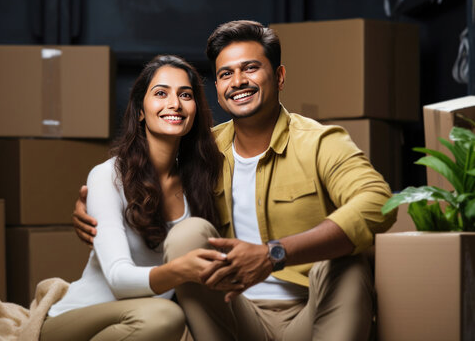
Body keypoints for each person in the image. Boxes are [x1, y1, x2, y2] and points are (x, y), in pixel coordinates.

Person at [73, 21, 397, 341]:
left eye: (251, 68)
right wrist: (95, 210)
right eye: (226, 74)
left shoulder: (320, 142)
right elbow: (146, 183)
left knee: (350, 265)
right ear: (217, 88)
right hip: (233, 311)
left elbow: (378, 202)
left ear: (280, 77)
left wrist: (274, 254)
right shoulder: (202, 151)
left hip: (312, 310)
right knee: (189, 234)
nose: (238, 81)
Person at [41, 55, 228, 341]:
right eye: (161, 93)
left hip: (147, 324)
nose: (174, 104)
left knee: (168, 318)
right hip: (76, 322)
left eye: (185, 95)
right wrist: (179, 270)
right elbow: (118, 280)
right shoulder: (108, 176)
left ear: (196, 111)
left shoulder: (201, 183)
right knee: (166, 317)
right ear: (141, 110)